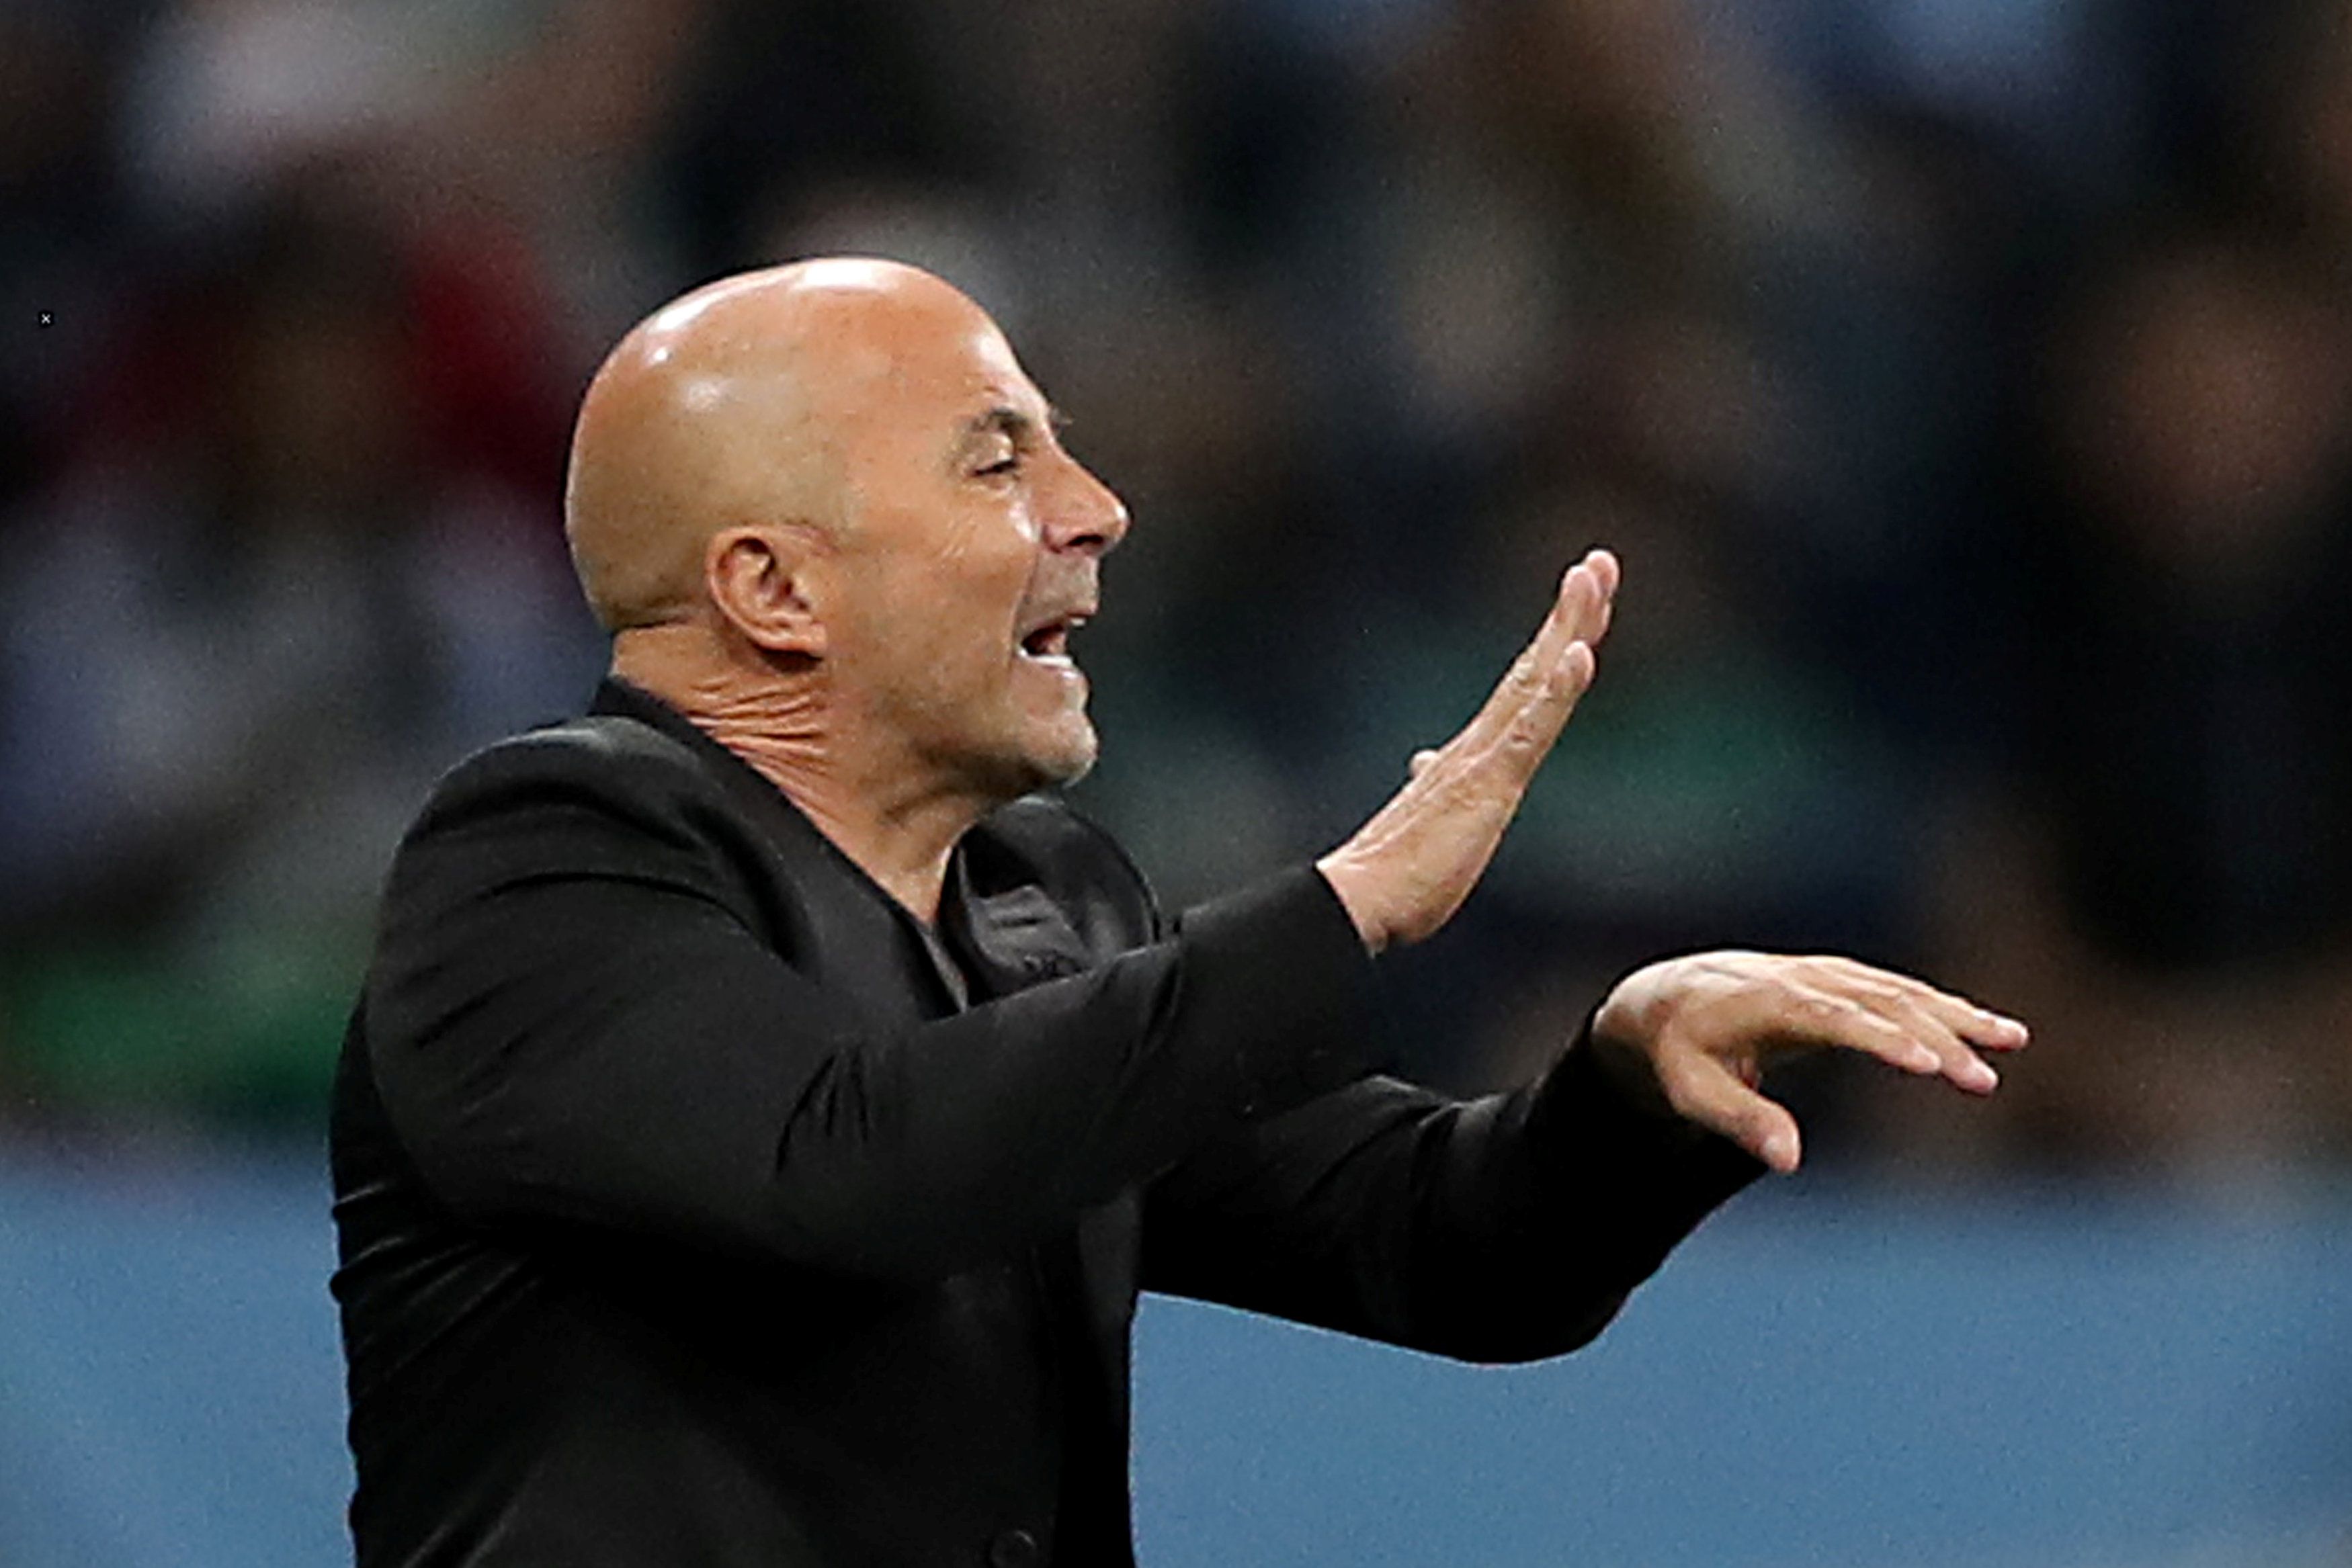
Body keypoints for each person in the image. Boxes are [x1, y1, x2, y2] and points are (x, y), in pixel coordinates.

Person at [329, 258, 2027, 1567]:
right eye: (999, 460)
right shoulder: (540, 863)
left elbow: (1443, 1246)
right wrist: (1345, 908)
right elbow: (842, 1169)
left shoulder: (1045, 904)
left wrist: (1629, 1090)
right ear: (774, 587)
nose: (1095, 507)